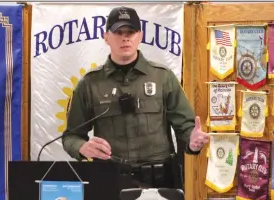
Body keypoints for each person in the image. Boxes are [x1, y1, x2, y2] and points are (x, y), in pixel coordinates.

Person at [62, 6, 209, 189]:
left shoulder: (163, 78)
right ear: (106, 37)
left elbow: (186, 127)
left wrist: (193, 142)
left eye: (130, 32)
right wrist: (82, 148)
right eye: (118, 32)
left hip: (159, 183)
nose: (125, 38)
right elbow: (71, 137)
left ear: (140, 35)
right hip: (109, 182)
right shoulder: (89, 84)